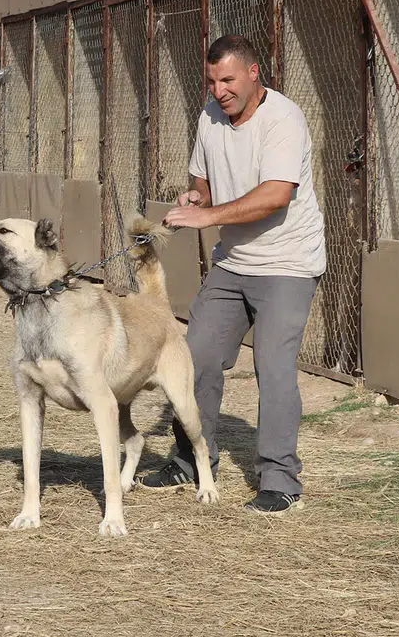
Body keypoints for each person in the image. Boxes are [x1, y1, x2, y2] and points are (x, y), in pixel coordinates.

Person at [138, 35, 325, 514]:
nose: (219, 90)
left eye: (228, 80)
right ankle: (189, 461)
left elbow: (276, 195)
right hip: (234, 262)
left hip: (287, 263)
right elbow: (202, 177)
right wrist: (197, 199)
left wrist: (209, 215)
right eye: (212, 81)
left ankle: (280, 481)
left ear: (253, 73)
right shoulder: (210, 115)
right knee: (193, 356)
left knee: (274, 368)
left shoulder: (283, 119)